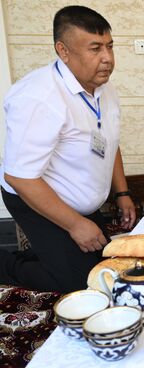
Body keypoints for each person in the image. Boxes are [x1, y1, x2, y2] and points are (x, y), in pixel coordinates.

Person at [0, 5, 136, 293]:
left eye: (110, 47)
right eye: (95, 48)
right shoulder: (39, 96)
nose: (107, 59)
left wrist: (122, 193)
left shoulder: (105, 90)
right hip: (33, 196)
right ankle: (6, 265)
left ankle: (51, 253)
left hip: (80, 200)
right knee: (80, 282)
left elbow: (109, 142)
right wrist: (75, 225)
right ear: (63, 51)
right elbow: (20, 177)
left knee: (106, 267)